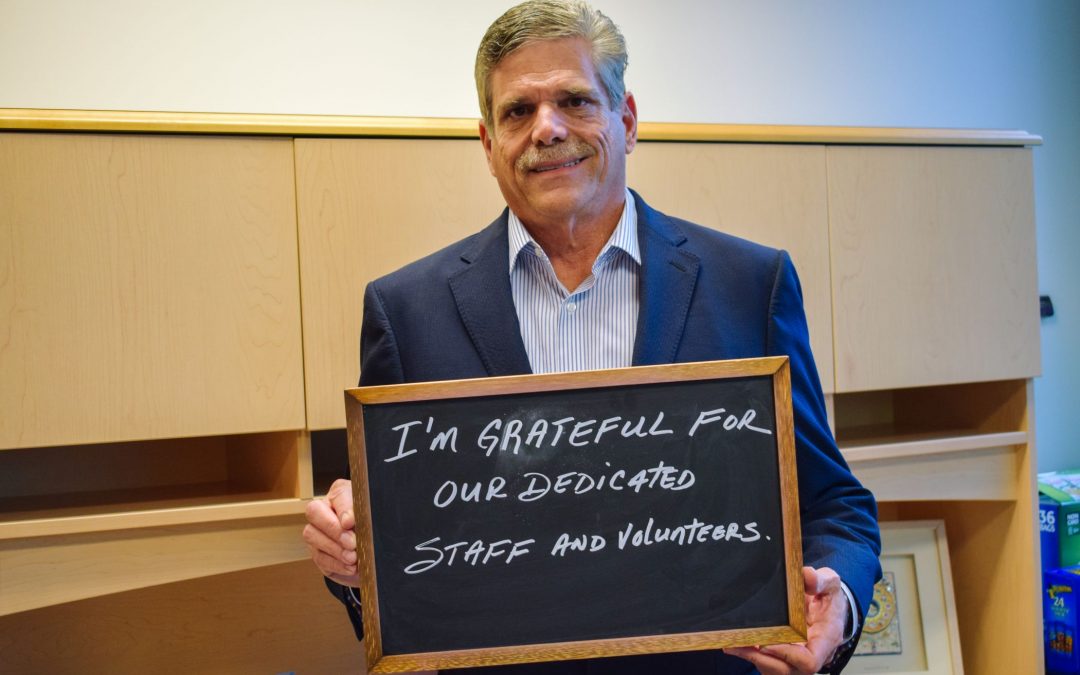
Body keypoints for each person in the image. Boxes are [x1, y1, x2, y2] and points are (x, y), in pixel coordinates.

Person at [303, 1, 881, 673]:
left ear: (626, 120)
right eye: (518, 111)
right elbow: (391, 546)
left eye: (575, 101)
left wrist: (838, 601)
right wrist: (352, 557)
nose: (547, 128)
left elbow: (833, 504)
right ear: (488, 144)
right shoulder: (406, 312)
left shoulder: (749, 285)